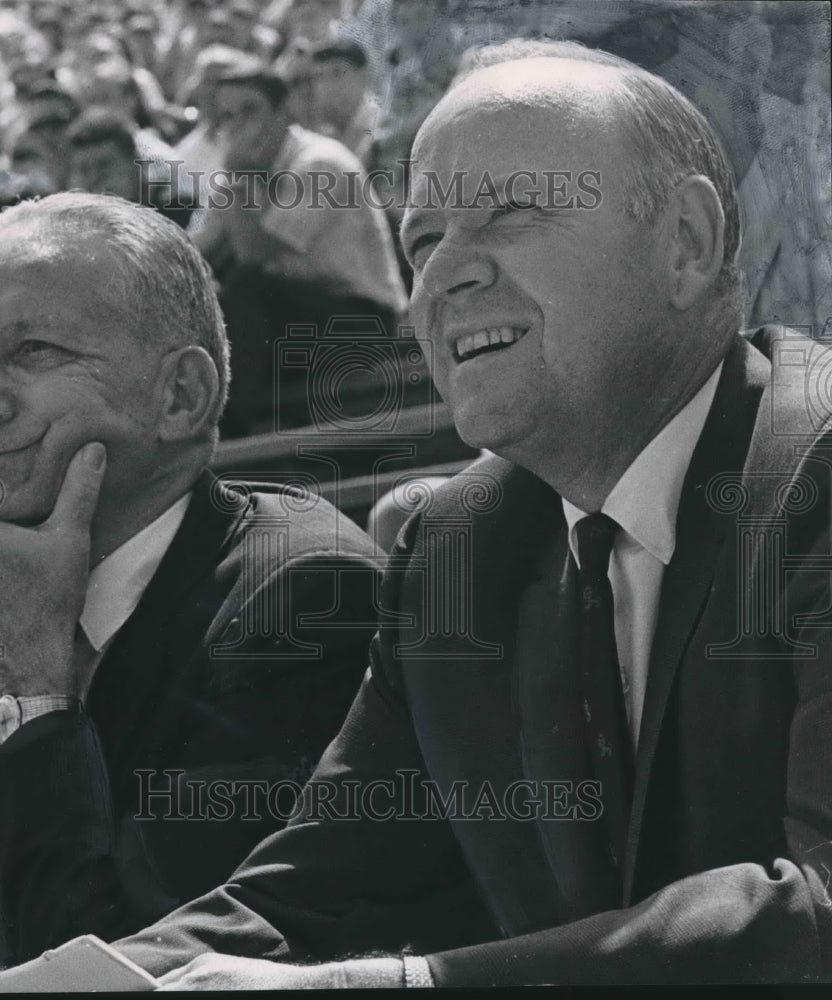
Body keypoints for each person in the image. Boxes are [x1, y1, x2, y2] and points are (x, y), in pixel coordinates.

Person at [59, 41, 825, 987]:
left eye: (510, 213)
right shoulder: (455, 544)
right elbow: (313, 896)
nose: (443, 277)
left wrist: (396, 987)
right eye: (422, 242)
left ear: (686, 241)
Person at [0, 193, 382, 982]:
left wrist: (33, 683)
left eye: (32, 351)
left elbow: (117, 969)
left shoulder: (304, 599)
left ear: (180, 397)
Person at [193, 64, 407, 434]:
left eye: (250, 110)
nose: (238, 125)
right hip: (296, 319)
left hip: (362, 320)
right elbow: (193, 247)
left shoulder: (321, 162)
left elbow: (255, 254)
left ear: (282, 114)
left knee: (244, 284)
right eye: (228, 115)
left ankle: (230, 430)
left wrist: (238, 180)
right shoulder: (241, 171)